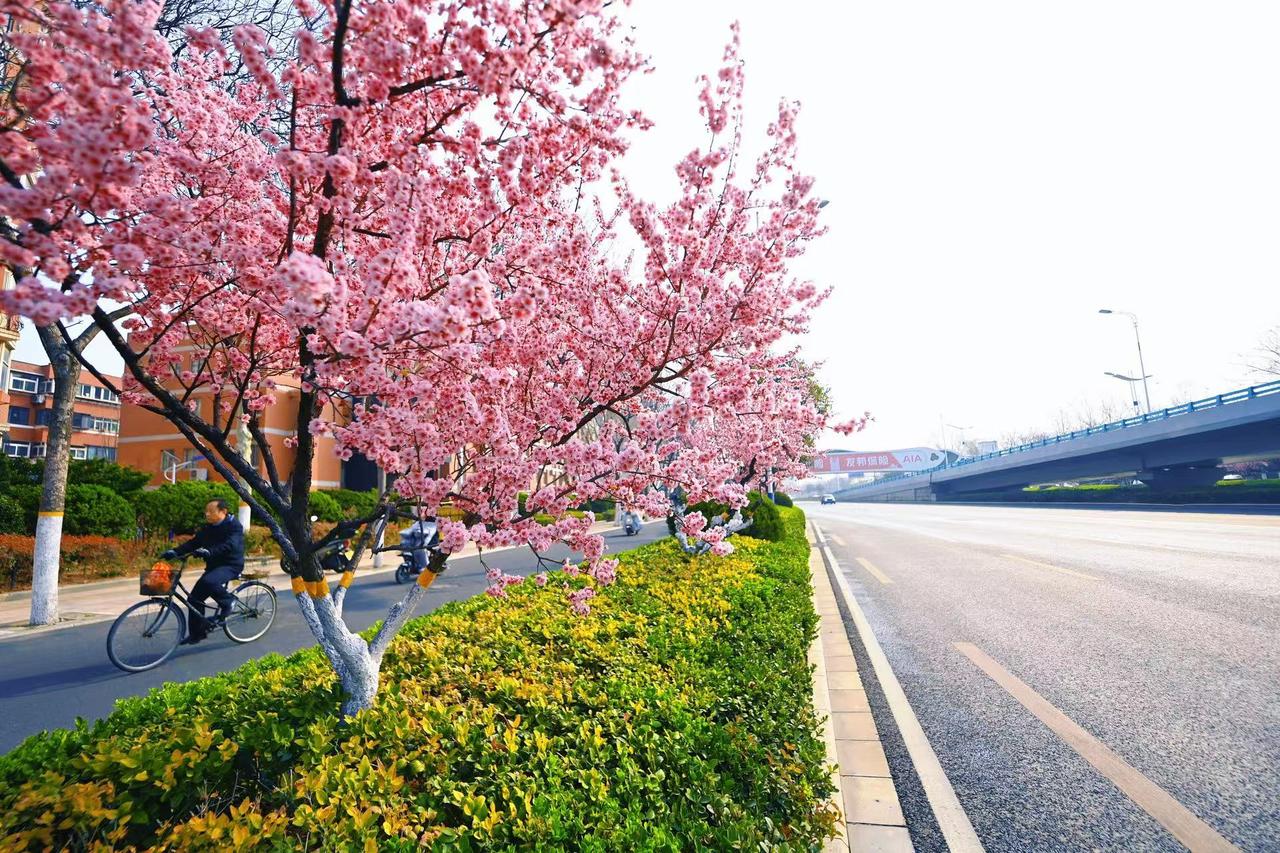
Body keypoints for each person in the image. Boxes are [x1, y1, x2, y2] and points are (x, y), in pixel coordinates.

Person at [161, 499, 244, 645]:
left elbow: (229, 545)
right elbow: (194, 542)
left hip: (231, 565)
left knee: (209, 581)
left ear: (223, 512)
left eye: (210, 511)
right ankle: (197, 634)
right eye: (206, 511)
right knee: (194, 600)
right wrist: (175, 552)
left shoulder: (234, 526)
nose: (206, 514)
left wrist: (209, 551)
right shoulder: (208, 528)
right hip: (214, 566)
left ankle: (229, 601)